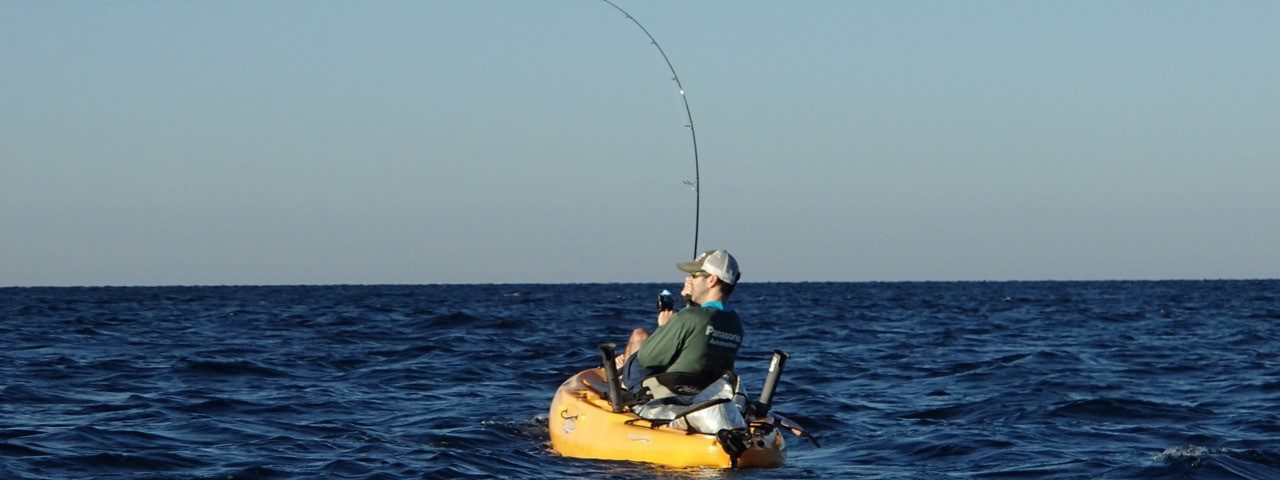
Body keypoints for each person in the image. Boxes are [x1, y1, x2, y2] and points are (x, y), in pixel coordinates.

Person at [617, 250, 744, 398]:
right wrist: (691, 301)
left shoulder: (687, 317)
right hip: (707, 393)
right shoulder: (735, 323)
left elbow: (646, 359)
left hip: (669, 393)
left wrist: (663, 328)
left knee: (639, 336)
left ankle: (623, 383)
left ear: (712, 280)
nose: (689, 280)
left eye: (694, 275)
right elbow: (698, 339)